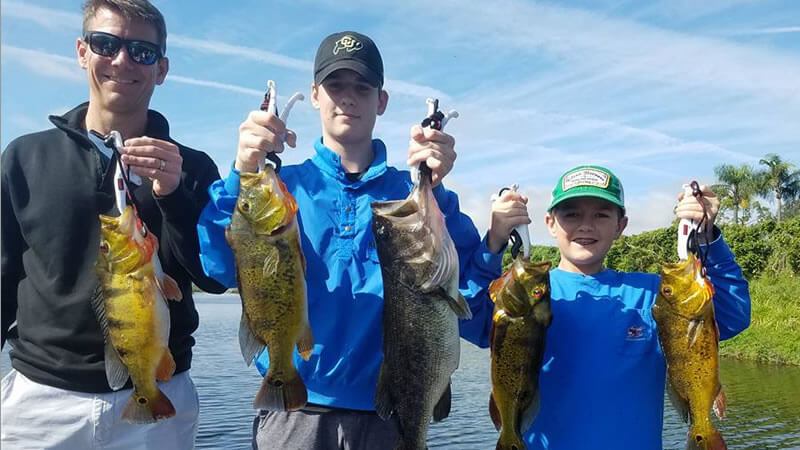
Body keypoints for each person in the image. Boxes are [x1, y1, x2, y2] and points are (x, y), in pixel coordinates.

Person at [196, 31, 530, 449]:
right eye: (335, 85)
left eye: (362, 87)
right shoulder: (278, 190)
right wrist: (243, 171)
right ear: (316, 95)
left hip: (393, 410)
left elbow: (470, 307)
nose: (348, 98)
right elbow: (216, 265)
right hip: (295, 410)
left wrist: (467, 218)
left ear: (382, 100)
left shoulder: (413, 200)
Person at [1, 1, 226, 448]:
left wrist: (175, 196)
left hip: (162, 392)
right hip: (42, 403)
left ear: (161, 69)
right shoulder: (24, 158)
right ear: (82, 51)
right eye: (106, 44)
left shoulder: (193, 168)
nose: (122, 60)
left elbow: (213, 280)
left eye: (142, 52)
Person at [521, 165, 751, 449]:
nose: (586, 226)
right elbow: (468, 319)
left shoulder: (653, 294)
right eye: (572, 214)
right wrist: (492, 243)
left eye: (601, 215)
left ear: (621, 226)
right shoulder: (527, 295)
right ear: (550, 223)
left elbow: (732, 316)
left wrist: (707, 238)